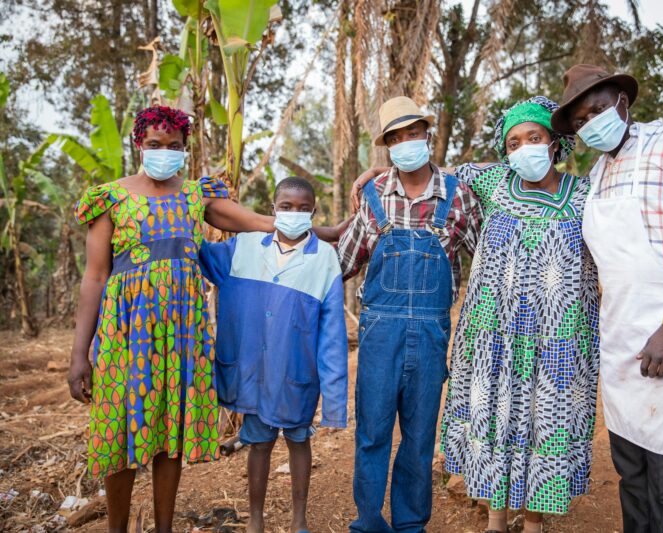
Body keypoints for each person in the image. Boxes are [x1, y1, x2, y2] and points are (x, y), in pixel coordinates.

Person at [352, 96, 600, 533]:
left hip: (558, 338)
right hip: (493, 334)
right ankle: (496, 520)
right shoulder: (491, 183)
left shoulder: (586, 196)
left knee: (544, 419)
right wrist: (376, 172)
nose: (524, 148)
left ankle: (537, 518)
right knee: (495, 414)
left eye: (534, 138)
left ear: (555, 141)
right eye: (514, 141)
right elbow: (427, 175)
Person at [68, 106, 281, 532]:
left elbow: (258, 223)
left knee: (171, 433)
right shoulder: (111, 197)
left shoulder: (195, 197)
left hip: (183, 334)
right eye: (154, 145)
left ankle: (164, 528)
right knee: (121, 430)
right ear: (137, 145)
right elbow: (94, 277)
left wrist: (314, 228)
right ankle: (117, 528)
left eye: (174, 147)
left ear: (185, 151)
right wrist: (79, 355)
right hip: (126, 333)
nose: (164, 152)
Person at [550, 64, 663, 533]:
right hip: (620, 339)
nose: (590, 124)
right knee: (631, 473)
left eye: (597, 110)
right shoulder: (596, 174)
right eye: (579, 122)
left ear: (623, 104)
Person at [337, 96, 482, 533]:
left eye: (412, 133)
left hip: (433, 333)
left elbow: (489, 261)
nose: (406, 143)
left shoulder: (458, 195)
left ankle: (410, 526)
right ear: (387, 146)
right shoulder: (374, 195)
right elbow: (343, 262)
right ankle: (368, 522)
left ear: (426, 134)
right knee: (372, 433)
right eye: (395, 138)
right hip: (380, 333)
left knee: (419, 439)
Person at [199, 176, 348, 533]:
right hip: (252, 373)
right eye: (286, 207)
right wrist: (187, 200)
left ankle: (299, 518)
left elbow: (332, 336)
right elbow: (195, 251)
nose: (294, 214)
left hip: (297, 373)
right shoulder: (242, 247)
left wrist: (335, 402)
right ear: (272, 210)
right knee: (259, 444)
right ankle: (255, 518)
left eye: (302, 208)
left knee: (298, 441)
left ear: (314, 211)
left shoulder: (325, 258)